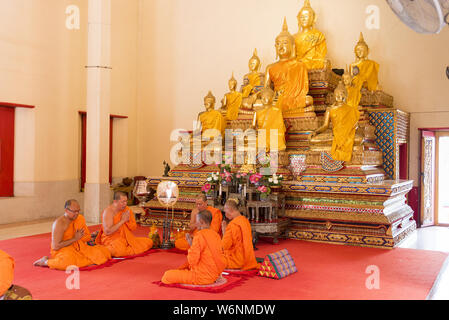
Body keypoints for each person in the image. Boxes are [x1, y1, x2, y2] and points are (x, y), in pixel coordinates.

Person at [33, 199, 111, 270]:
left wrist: (82, 238)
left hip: (78, 247)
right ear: (66, 210)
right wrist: (74, 238)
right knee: (67, 263)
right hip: (63, 249)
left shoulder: (80, 218)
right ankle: (45, 262)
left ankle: (81, 260)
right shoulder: (59, 223)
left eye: (78, 211)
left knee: (104, 252)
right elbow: (56, 246)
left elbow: (87, 237)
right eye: (74, 211)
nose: (77, 214)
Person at [162, 210, 226, 285]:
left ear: (201, 222)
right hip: (215, 274)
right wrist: (191, 243)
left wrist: (191, 247)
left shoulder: (199, 235)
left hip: (201, 277)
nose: (195, 224)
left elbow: (192, 260)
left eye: (197, 221)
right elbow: (219, 256)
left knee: (167, 276)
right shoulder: (216, 235)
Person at [95, 191, 153, 257]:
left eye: (126, 201)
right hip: (112, 240)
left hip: (126, 239)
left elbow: (133, 227)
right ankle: (106, 250)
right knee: (119, 250)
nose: (125, 204)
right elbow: (107, 231)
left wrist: (127, 221)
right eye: (123, 202)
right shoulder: (108, 212)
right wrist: (122, 221)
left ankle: (123, 250)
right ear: (115, 201)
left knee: (149, 242)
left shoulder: (127, 210)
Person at [222, 199, 259, 270]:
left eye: (225, 212)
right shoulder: (245, 221)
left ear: (230, 209)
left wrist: (224, 230)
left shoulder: (233, 225)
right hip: (248, 258)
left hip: (236, 260)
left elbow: (225, 246)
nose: (225, 215)